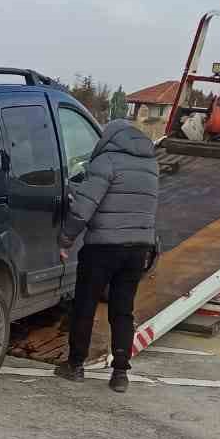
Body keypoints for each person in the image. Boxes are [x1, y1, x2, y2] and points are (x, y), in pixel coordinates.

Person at [54, 118, 160, 393]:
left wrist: (66, 239)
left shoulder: (106, 162)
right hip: (138, 248)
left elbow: (83, 209)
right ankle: (120, 373)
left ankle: (75, 365)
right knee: (123, 310)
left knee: (85, 306)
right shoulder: (151, 165)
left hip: (102, 247)